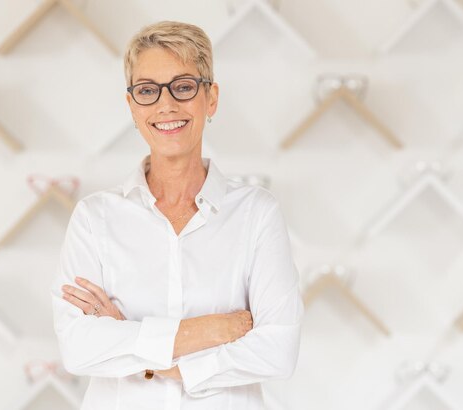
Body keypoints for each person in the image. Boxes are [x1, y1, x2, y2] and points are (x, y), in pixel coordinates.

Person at [51, 20, 303, 410]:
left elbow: (278, 350)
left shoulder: (255, 213)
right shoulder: (95, 218)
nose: (166, 105)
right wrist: (210, 330)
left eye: (183, 87)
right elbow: (79, 348)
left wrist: (136, 346)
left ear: (211, 98)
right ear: (132, 106)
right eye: (147, 91)